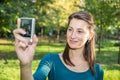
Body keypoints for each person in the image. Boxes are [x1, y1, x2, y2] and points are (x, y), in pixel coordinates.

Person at [13, 11, 104, 80]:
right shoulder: (51, 60)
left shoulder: (97, 71)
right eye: (70, 29)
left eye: (79, 31)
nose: (72, 36)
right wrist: (25, 64)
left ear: (90, 36)